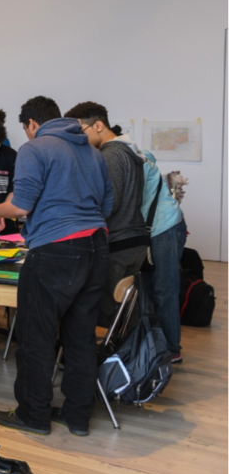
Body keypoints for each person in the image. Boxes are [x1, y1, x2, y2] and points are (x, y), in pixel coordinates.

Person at [0, 96, 111, 437]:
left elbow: (21, 205)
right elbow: (108, 203)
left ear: (31, 124)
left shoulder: (36, 149)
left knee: (36, 336)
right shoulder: (94, 153)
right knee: (81, 337)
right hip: (96, 247)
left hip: (55, 249)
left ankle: (33, 415)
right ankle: (77, 417)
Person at [65, 102, 149, 327]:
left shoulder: (109, 155)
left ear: (99, 125)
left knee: (103, 312)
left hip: (118, 243)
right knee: (123, 311)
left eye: (80, 130)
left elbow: (110, 203)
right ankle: (125, 355)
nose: (79, 137)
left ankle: (114, 357)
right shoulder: (130, 150)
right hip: (135, 241)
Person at [110, 126, 187, 363]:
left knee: (164, 289)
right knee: (146, 290)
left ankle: (171, 349)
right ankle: (151, 343)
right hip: (149, 230)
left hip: (163, 228)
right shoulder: (133, 156)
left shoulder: (135, 161)